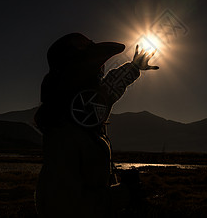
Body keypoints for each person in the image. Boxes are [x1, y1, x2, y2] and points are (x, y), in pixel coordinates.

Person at [34, 33, 158, 217]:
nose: (101, 75)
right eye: (96, 70)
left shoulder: (84, 111)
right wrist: (125, 193)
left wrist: (133, 68)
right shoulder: (65, 137)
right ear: (78, 76)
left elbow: (110, 88)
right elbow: (69, 208)